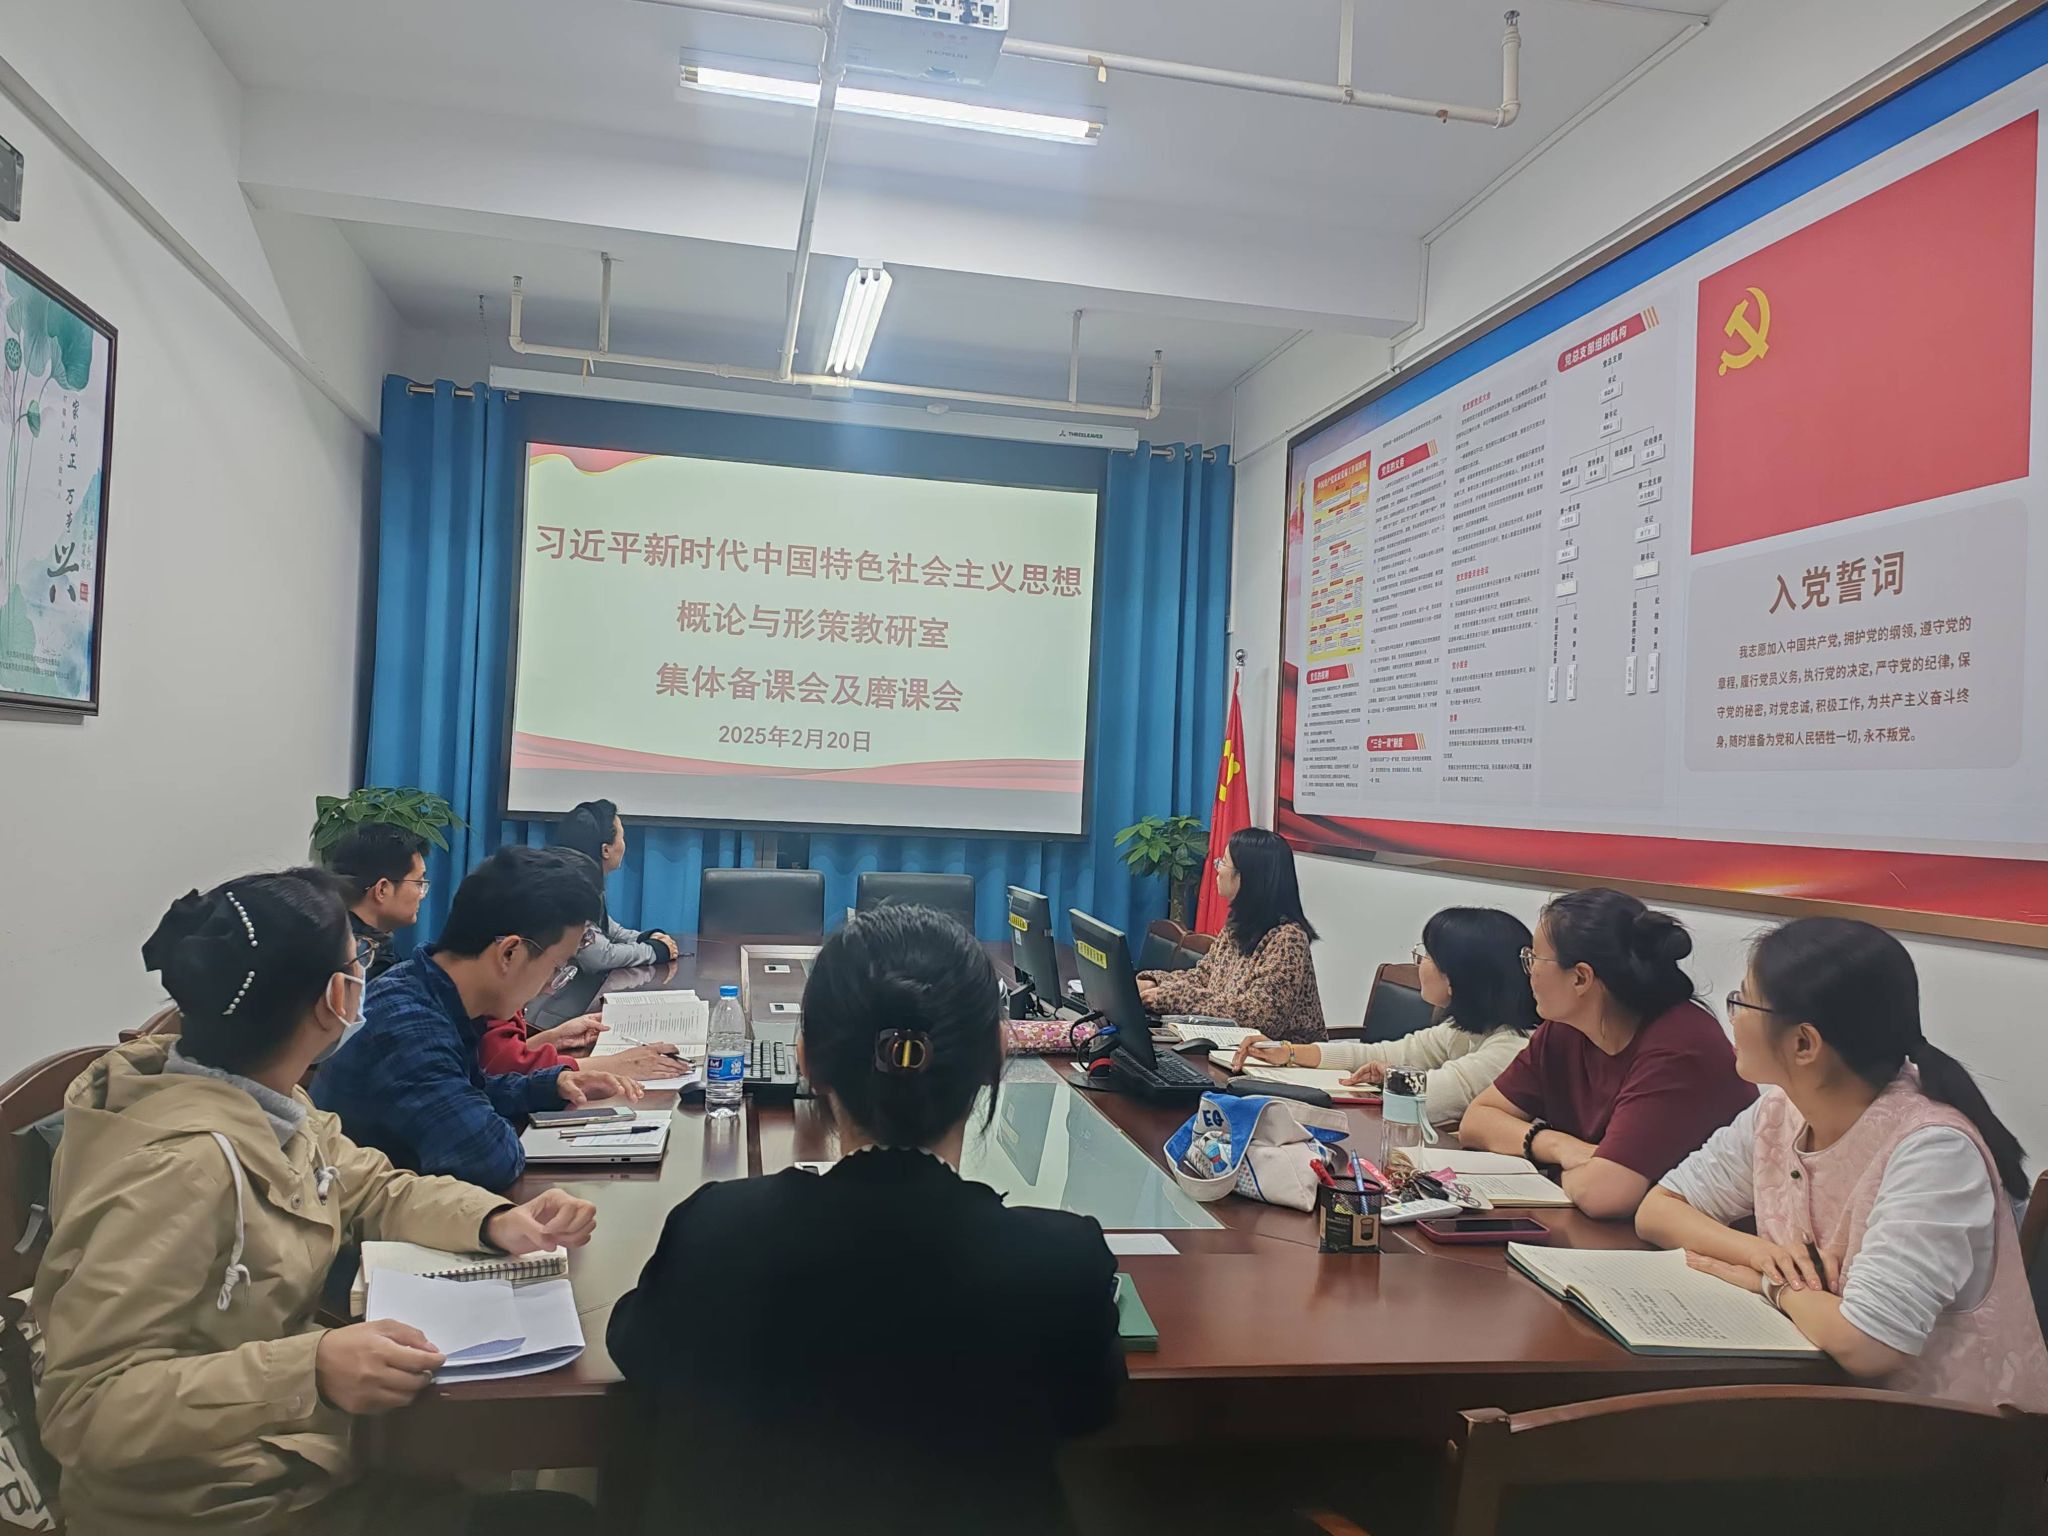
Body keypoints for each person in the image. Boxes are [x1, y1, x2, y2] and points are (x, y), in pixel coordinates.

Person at [33, 869, 602, 1536]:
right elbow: (85, 1408)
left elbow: (372, 1186)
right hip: (213, 1508)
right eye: (360, 958)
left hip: (292, 1459)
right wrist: (309, 1370)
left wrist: (496, 1220)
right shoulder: (178, 1167)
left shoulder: (268, 1099)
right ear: (336, 996)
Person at [609, 905, 1124, 1535]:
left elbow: (636, 1349)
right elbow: (1090, 1407)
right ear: (995, 1059)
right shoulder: (1063, 1263)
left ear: (805, 1059)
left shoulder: (715, 1230)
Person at [1638, 917, 2048, 1410]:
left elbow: (1870, 1344)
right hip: (1827, 1400)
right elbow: (1658, 1210)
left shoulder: (1934, 1149)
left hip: (1948, 1427)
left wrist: (1771, 1285)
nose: (1733, 1018)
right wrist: (1756, 1253)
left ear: (1804, 1044)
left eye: (1742, 1001)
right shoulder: (1781, 1110)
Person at [313, 846, 643, 1191]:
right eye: (557, 968)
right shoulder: (409, 1027)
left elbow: (469, 1089)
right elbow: (489, 1159)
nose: (550, 986)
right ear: (510, 952)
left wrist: (550, 1085)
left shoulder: (423, 986)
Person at [1459, 887, 1755, 1219]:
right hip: (1602, 1227)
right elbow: (1478, 1120)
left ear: (1580, 978)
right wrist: (1559, 1147)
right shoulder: (1566, 1028)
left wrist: (1559, 1169)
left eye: (1534, 959)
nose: (1529, 972)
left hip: (1690, 1240)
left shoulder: (1682, 1046)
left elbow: (1604, 1194)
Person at [1230, 906, 1537, 1125]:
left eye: (1428, 955)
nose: (1419, 962)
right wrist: (1290, 1052)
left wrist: (1392, 1076)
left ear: (1459, 977)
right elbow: (1380, 1053)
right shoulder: (1465, 1029)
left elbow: (1431, 1100)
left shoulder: (1514, 1047)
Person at [1137, 826, 1326, 1043]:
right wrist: (1155, 982)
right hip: (1231, 1047)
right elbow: (1203, 977)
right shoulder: (1238, 925)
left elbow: (1259, 1018)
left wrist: (1171, 996)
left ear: (1248, 878)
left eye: (1223, 863)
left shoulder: (1288, 939)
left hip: (1283, 1058)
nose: (1218, 870)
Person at [549, 799, 680, 974]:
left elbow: (607, 930)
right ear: (605, 850)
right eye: (622, 838)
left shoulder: (582, 879)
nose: (624, 845)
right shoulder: (571, 890)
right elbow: (598, 956)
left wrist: (645, 938)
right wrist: (653, 951)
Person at [326, 823, 430, 983]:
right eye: (418, 883)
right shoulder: (368, 965)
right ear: (382, 889)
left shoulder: (324, 936)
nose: (422, 894)